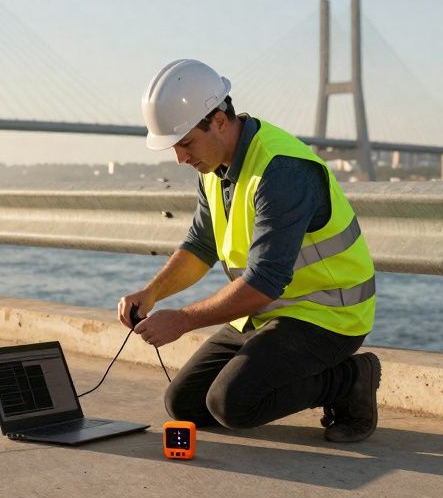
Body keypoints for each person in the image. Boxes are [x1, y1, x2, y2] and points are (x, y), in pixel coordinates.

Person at [119, 58, 380, 443]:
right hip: (265, 313)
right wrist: (151, 293)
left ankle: (351, 379)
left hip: (328, 316)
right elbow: (200, 246)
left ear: (220, 121)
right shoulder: (213, 168)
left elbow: (265, 281)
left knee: (232, 405)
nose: (181, 158)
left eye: (186, 143)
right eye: (175, 147)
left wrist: (184, 320)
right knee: (184, 405)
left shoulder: (282, 171)